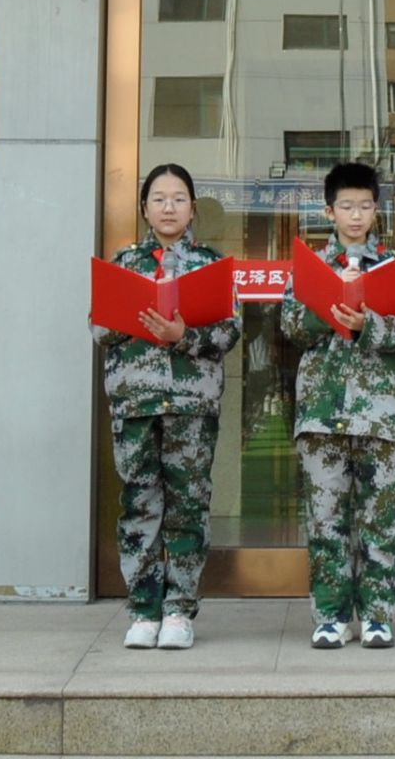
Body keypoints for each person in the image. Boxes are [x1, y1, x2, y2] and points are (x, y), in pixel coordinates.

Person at [277, 160, 395, 650]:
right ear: (329, 211)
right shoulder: (310, 266)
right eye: (346, 206)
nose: (356, 216)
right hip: (323, 414)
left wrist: (368, 324)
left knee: (381, 520)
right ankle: (331, 616)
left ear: (377, 210)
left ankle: (379, 615)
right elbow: (290, 325)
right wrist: (331, 308)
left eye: (364, 206)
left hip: (383, 414)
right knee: (326, 520)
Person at [92, 163, 235, 650]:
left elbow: (229, 332)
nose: (168, 207)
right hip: (136, 404)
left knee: (187, 506)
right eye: (158, 198)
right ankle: (142, 609)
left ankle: (178, 610)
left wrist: (182, 335)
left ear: (193, 208)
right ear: (144, 208)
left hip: (191, 406)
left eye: (178, 199)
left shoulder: (211, 265)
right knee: (139, 504)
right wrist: (136, 315)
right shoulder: (122, 262)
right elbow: (98, 328)